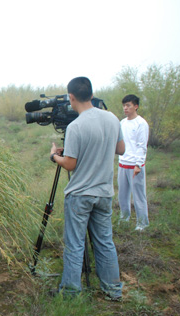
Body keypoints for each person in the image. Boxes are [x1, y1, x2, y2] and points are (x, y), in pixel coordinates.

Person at [49, 77, 125, 300]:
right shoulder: (112, 118)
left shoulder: (76, 126)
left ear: (71, 98)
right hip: (104, 193)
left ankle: (71, 292)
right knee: (105, 242)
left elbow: (70, 164)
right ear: (91, 95)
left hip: (80, 195)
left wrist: (55, 156)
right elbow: (120, 148)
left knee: (74, 244)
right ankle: (113, 291)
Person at [117, 94, 149, 231]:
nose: (125, 108)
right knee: (122, 195)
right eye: (124, 105)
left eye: (128, 105)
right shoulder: (122, 123)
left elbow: (142, 146)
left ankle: (142, 223)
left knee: (139, 195)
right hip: (122, 163)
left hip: (135, 165)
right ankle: (124, 218)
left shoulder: (141, 123)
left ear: (136, 106)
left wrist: (138, 164)